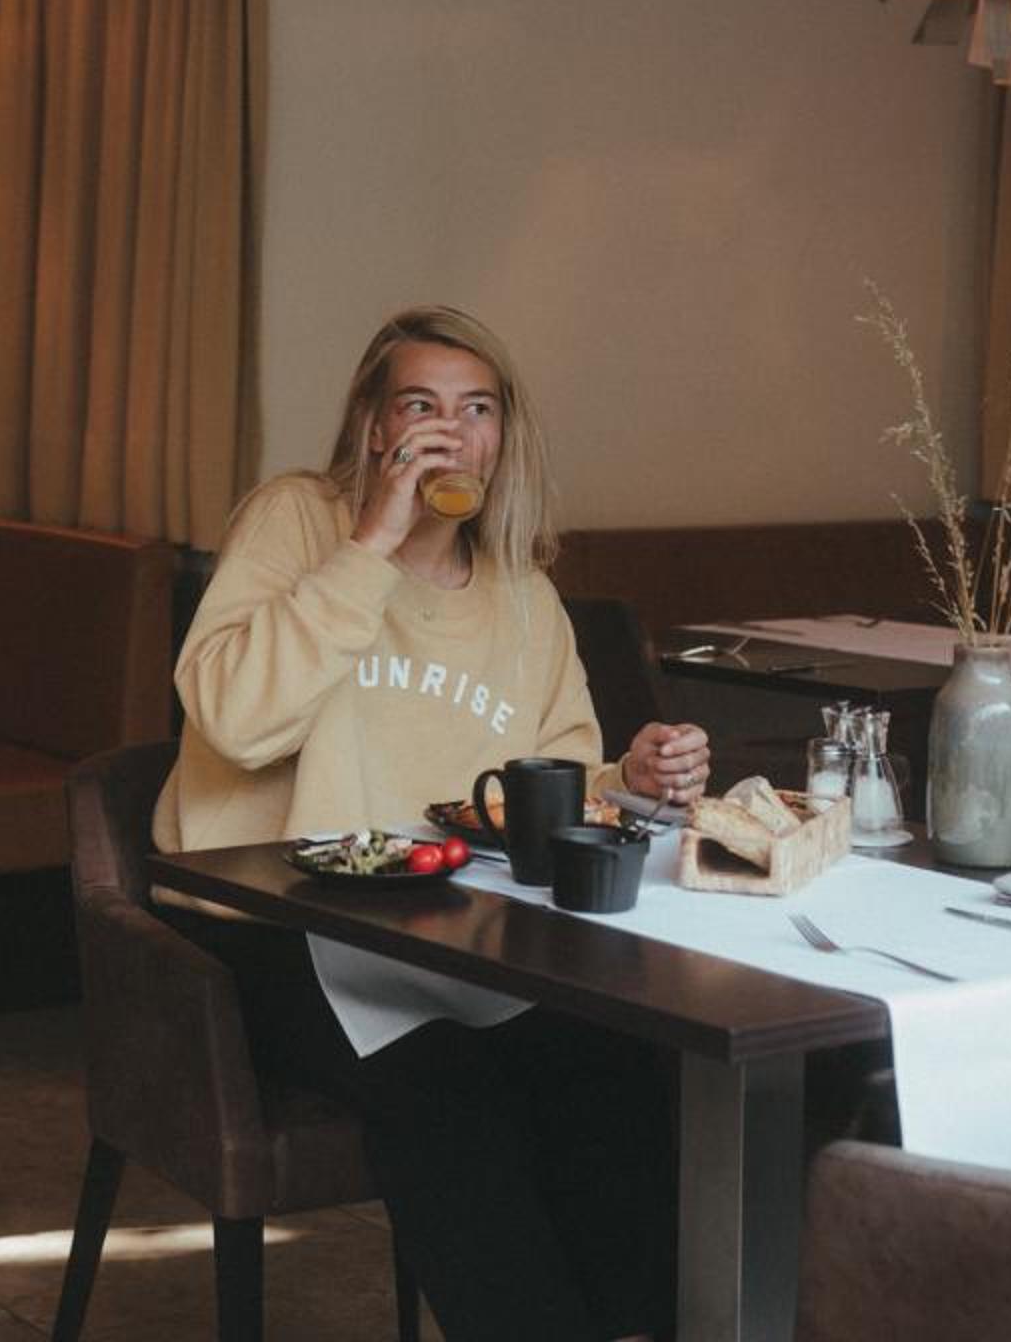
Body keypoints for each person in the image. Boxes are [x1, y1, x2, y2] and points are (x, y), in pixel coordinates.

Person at [153, 304, 712, 1342]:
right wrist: (372, 539)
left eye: (477, 409)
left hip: (453, 926)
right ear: (377, 429)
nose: (451, 430)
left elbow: (551, 782)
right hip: (275, 919)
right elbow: (232, 718)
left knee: (610, 1061)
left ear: (502, 437)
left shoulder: (522, 591)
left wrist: (630, 777)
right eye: (422, 405)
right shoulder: (299, 520)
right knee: (448, 1095)